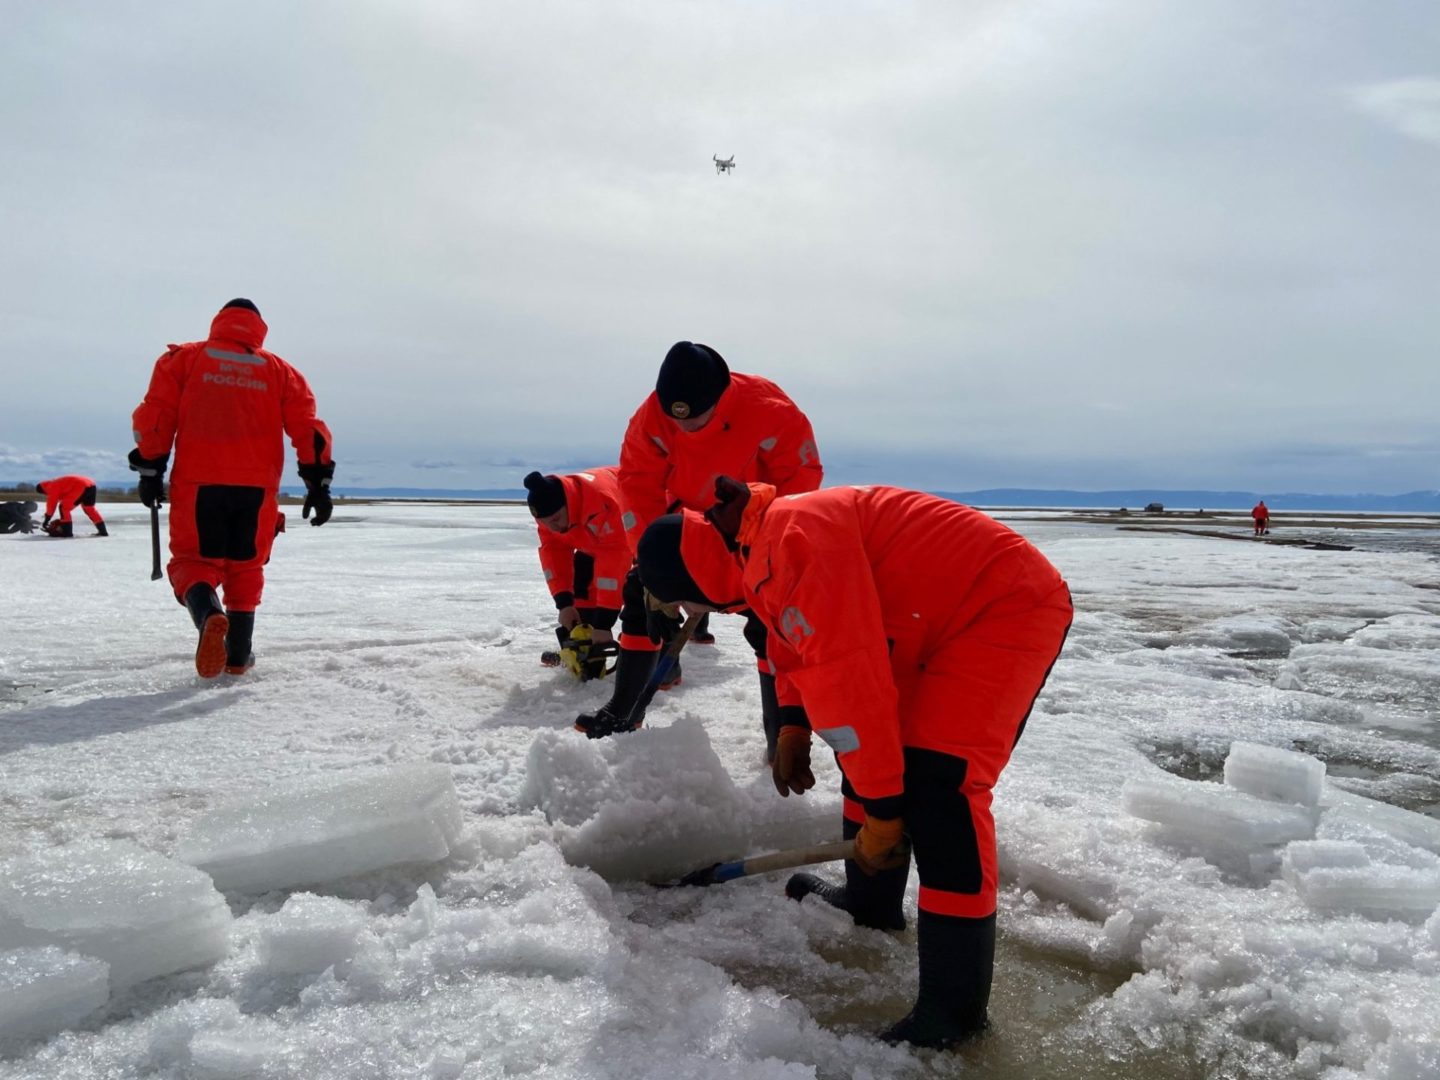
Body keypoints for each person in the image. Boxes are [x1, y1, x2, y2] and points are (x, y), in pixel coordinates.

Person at [635, 478, 1073, 1050]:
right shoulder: (755, 544)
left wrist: (886, 812)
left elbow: (847, 682)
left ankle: (954, 1013)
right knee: (870, 757)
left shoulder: (785, 546)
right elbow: (794, 643)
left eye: (688, 602)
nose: (695, 613)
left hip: (998, 609)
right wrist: (793, 721)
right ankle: (871, 903)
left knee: (939, 790)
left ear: (695, 579)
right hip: (924, 618)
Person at [577, 340, 823, 748]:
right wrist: (651, 562)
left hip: (753, 527)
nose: (685, 428)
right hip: (685, 524)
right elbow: (637, 487)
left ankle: (781, 735)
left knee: (770, 624)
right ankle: (624, 711)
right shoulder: (651, 418)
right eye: (678, 421)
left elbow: (801, 482)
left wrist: (758, 542)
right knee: (639, 595)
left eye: (697, 419)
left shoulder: (770, 410)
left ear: (722, 398)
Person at [127, 298, 334, 678]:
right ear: (259, 326)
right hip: (256, 488)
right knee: (246, 567)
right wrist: (318, 485)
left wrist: (150, 470)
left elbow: (156, 417)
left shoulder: (185, 360)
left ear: (219, 321)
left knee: (193, 562)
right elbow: (309, 429)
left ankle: (209, 615)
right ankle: (238, 654)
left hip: (199, 482)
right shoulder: (281, 372)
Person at [524, 468, 629, 680]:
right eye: (545, 522)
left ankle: (662, 658)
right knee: (582, 580)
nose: (551, 526)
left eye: (555, 518)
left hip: (636, 529)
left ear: (568, 504)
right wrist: (564, 603)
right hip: (591, 541)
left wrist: (603, 624)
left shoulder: (603, 504)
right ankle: (583, 651)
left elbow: (614, 564)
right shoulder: (549, 515)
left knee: (646, 591)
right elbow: (554, 554)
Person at [35, 476, 108, 537]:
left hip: (80, 486)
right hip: (91, 485)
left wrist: (47, 518)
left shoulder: (51, 487)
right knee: (89, 509)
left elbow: (51, 504)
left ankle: (67, 533)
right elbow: (66, 495)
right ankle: (103, 531)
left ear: (42, 490)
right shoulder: (55, 483)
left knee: (64, 508)